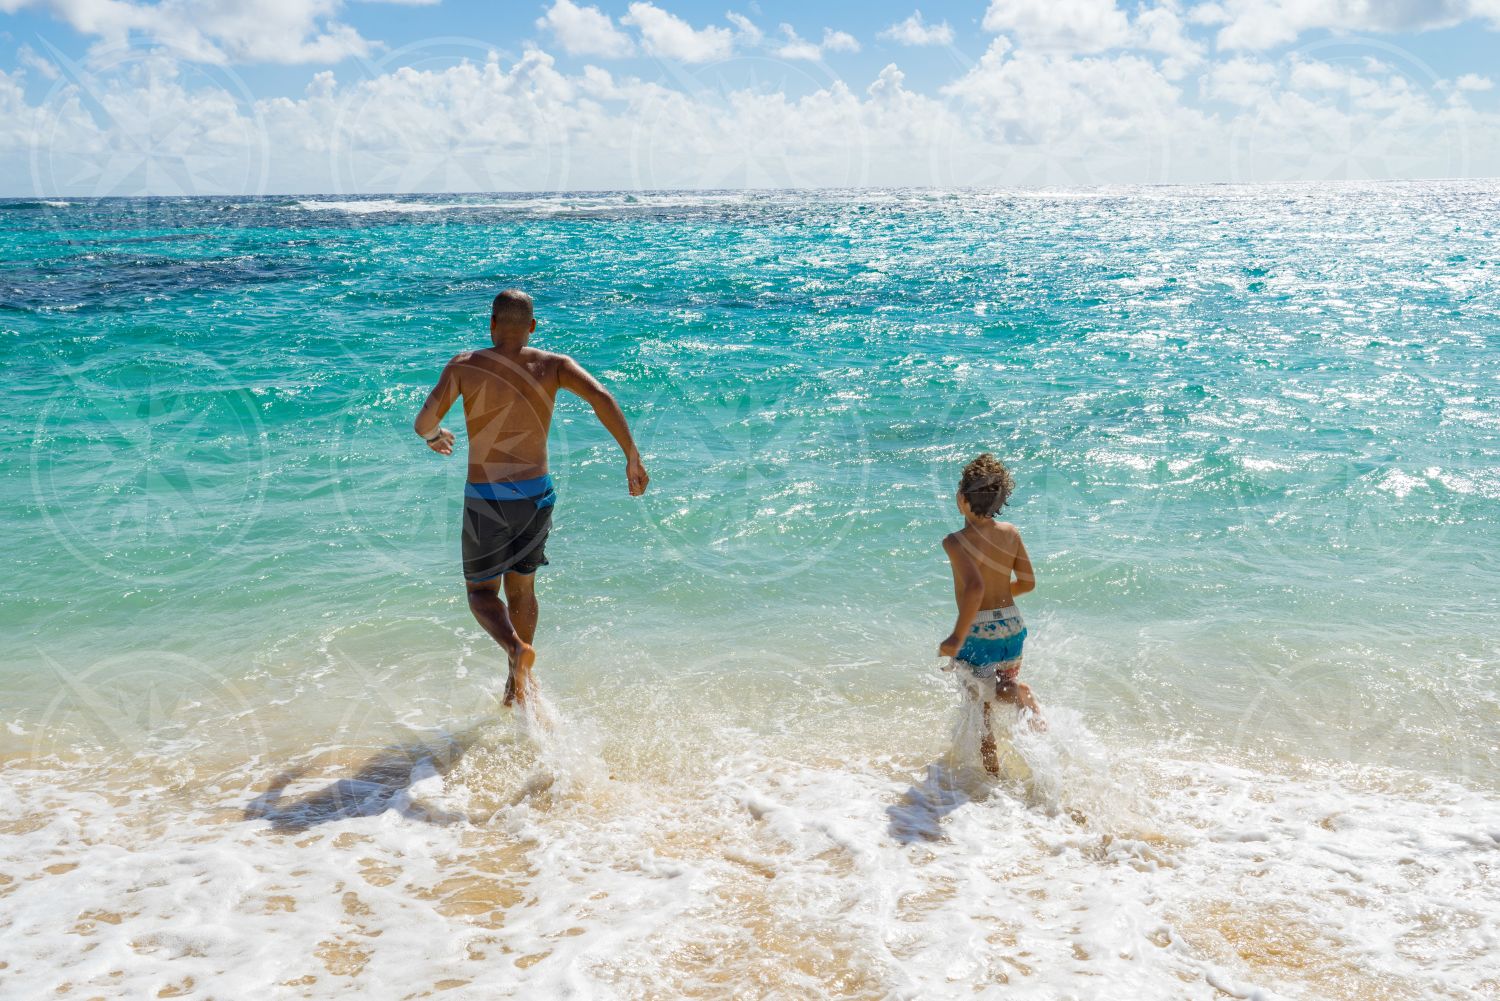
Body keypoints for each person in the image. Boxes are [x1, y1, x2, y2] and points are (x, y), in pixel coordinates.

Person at [414, 289, 649, 706]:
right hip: (536, 497)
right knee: (522, 591)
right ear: (532, 327)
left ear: (491, 325)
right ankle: (515, 684)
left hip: (487, 497)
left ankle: (515, 650)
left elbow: (423, 423)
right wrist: (631, 455)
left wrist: (436, 436)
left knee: (481, 593)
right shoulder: (554, 366)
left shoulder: (464, 366)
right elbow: (601, 398)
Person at [937, 453, 1041, 774]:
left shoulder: (956, 541)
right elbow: (1028, 582)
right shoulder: (1010, 532)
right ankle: (1028, 715)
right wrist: (1002, 598)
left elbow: (974, 589)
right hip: (1012, 625)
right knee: (998, 690)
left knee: (979, 704)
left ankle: (991, 775)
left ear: (963, 499)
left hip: (979, 631)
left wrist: (957, 636)